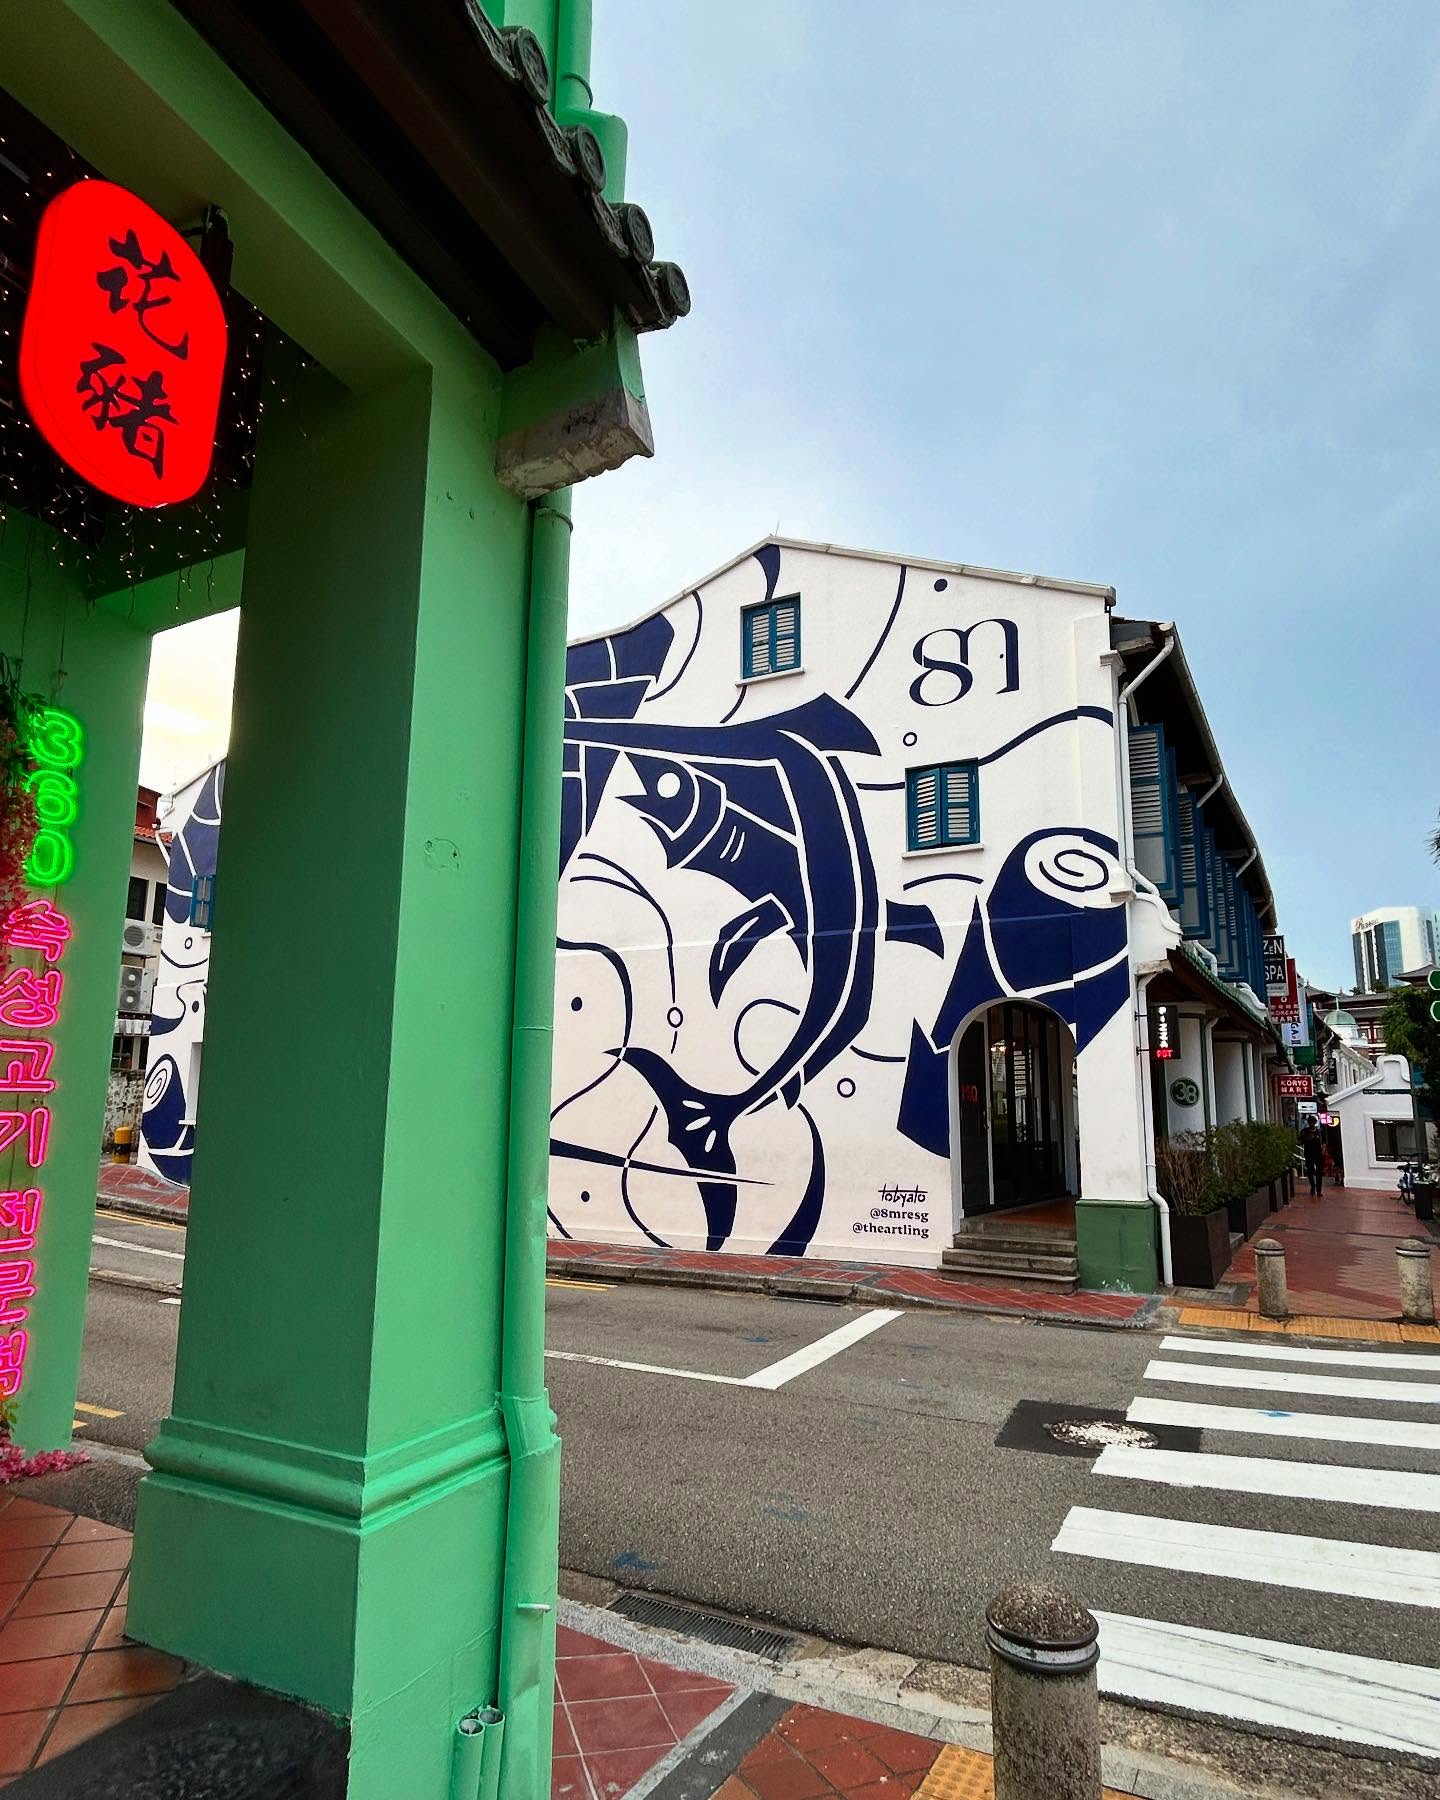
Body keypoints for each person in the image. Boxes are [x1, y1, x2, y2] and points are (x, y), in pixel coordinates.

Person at [1302, 1118, 1325, 1198]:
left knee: (1319, 1173)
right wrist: (1307, 1138)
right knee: (1310, 1171)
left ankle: (1319, 1191)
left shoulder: (1319, 1132)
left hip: (1318, 1154)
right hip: (1309, 1154)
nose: (1311, 1124)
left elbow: (1323, 1143)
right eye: (1310, 1123)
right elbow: (1300, 1140)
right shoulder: (1305, 1131)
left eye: (1313, 1123)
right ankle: (1313, 1185)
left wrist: (1323, 1152)